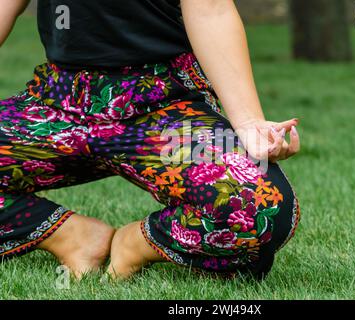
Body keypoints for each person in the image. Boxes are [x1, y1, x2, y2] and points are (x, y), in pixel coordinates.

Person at [0, 0, 301, 280]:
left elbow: (212, 11)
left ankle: (135, 244)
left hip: (163, 103)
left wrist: (249, 122)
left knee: (260, 207)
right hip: (57, 101)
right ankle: (70, 236)